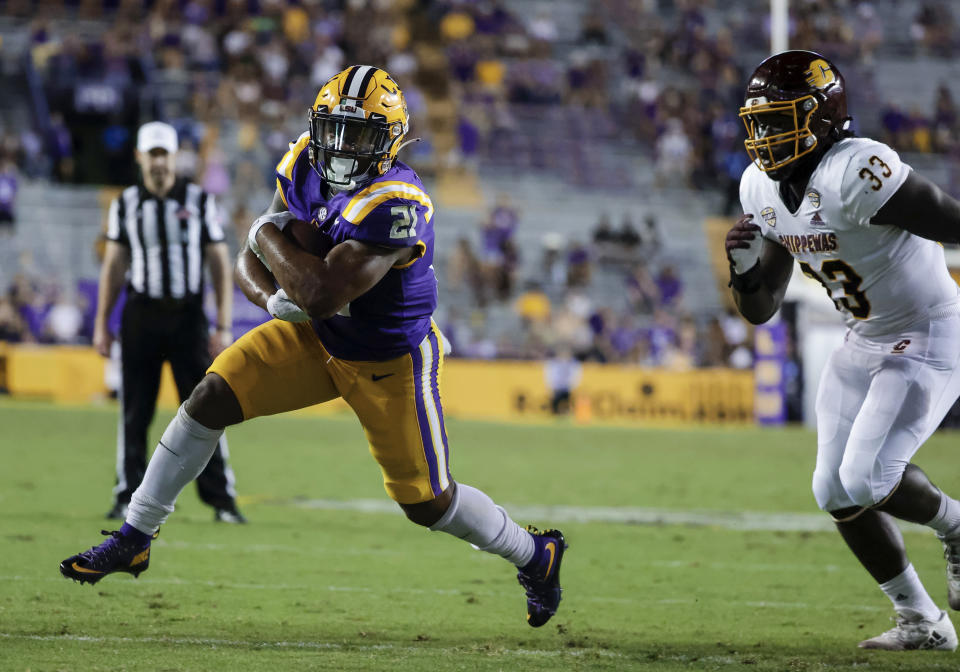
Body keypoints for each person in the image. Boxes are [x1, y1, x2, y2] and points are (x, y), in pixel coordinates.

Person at [60, 66, 566, 628]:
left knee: (428, 503)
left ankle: (534, 554)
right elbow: (255, 268)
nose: (344, 147)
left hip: (387, 358)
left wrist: (263, 236)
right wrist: (272, 296)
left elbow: (318, 290)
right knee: (208, 398)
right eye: (336, 130)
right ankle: (135, 535)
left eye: (362, 134)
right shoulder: (304, 161)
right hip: (314, 337)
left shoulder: (395, 202)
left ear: (392, 141)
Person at [727, 50, 960, 651]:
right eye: (760, 124)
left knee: (866, 475)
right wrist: (746, 274)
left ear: (822, 117)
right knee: (833, 490)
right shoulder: (763, 187)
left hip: (927, 331)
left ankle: (956, 525)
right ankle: (922, 620)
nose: (765, 137)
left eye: (779, 121)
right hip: (864, 339)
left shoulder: (857, 171)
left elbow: (950, 220)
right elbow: (761, 311)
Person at [92, 121, 245, 524]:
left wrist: (223, 324)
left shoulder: (198, 199)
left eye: (165, 153)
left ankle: (222, 500)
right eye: (152, 153)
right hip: (140, 314)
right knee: (134, 412)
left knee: (206, 410)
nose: (159, 161)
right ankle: (127, 495)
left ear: (174, 156)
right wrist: (101, 322)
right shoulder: (125, 203)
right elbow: (114, 265)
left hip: (187, 315)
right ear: (140, 156)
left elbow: (218, 262)